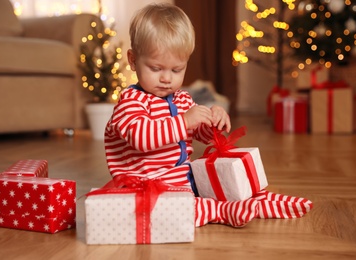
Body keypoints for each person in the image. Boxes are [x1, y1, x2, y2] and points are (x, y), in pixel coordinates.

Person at [104, 3, 312, 228]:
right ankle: (222, 211)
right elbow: (141, 138)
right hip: (147, 187)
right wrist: (184, 121)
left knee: (224, 186)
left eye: (176, 70)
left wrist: (214, 121)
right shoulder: (131, 101)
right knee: (180, 211)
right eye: (156, 69)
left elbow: (199, 132)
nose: (167, 78)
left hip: (183, 181)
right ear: (133, 60)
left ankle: (257, 200)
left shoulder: (182, 99)